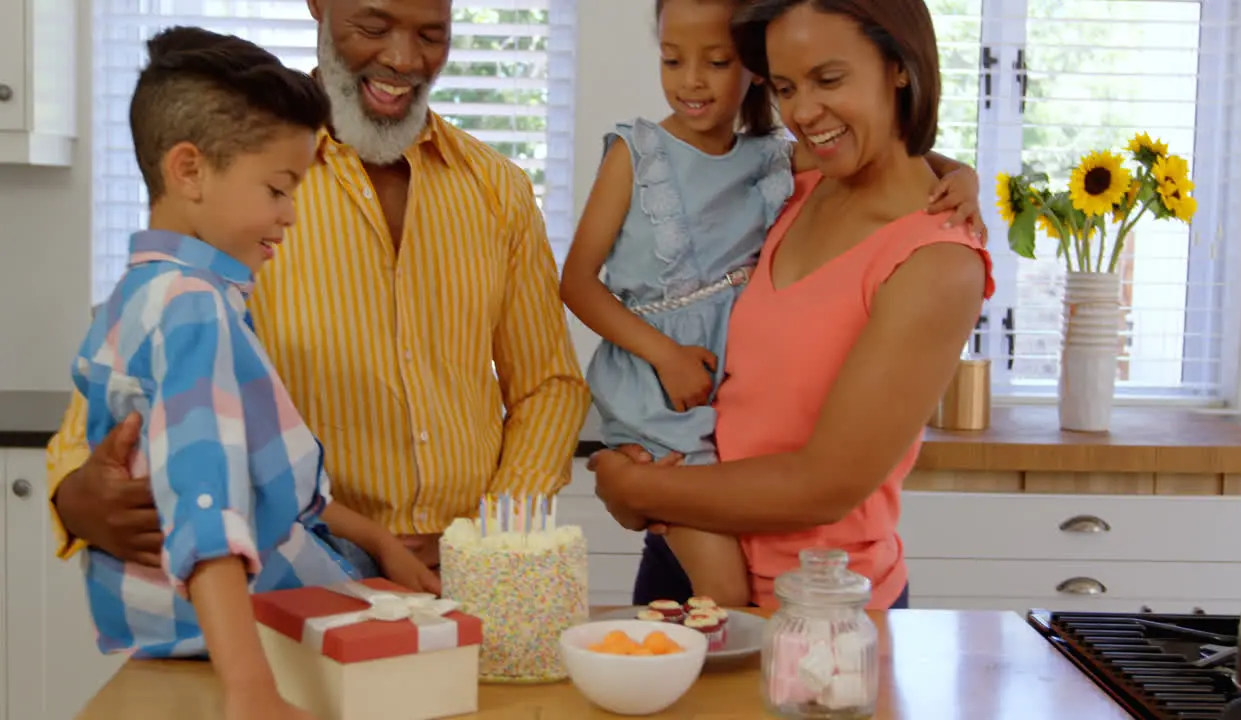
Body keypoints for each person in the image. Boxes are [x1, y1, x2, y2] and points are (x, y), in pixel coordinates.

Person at [45, 0, 589, 581]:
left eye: (432, 34)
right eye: (373, 27)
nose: (404, 59)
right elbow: (127, 371)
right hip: (295, 574)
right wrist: (75, 497)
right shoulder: (240, 191)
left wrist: (490, 538)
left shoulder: (498, 191)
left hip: (467, 569)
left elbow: (546, 385)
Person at [562, 0, 985, 607]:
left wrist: (639, 490)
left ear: (899, 64)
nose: (803, 112)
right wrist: (959, 168)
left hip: (819, 600)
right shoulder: (797, 188)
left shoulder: (938, 262)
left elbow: (824, 487)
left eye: (829, 78)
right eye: (786, 87)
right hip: (685, 549)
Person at [73, 27, 435, 719]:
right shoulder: (194, 310)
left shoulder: (136, 297)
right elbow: (205, 504)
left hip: (228, 625)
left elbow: (262, 475)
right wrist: (251, 692)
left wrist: (379, 540)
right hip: (238, 643)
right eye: (277, 188)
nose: (290, 215)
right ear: (189, 170)